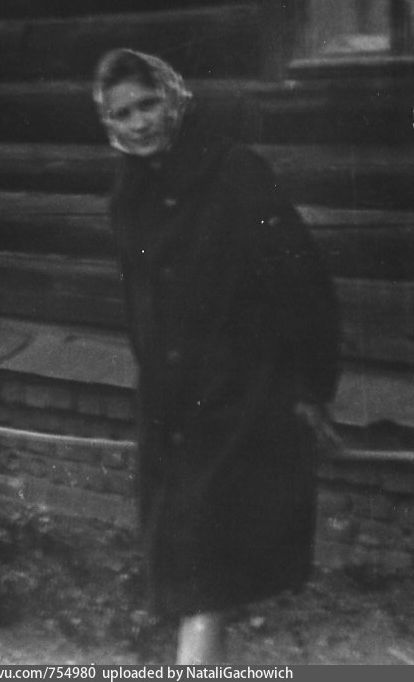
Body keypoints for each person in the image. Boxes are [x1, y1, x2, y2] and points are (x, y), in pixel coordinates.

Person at [93, 48, 340, 663]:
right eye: (123, 113)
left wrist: (310, 388)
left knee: (203, 579)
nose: (139, 123)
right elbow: (142, 302)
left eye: (148, 104)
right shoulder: (128, 194)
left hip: (240, 401)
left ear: (174, 98)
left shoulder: (234, 172)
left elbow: (304, 284)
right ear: (108, 123)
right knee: (194, 576)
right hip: (170, 411)